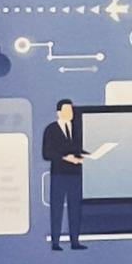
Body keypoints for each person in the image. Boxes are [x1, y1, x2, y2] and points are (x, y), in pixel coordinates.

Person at [40, 99, 87, 251]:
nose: (70, 114)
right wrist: (65, 157)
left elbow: (78, 148)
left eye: (71, 110)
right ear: (58, 113)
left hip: (75, 175)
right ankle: (55, 242)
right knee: (57, 208)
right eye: (67, 111)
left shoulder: (77, 129)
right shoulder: (51, 130)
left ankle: (75, 241)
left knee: (75, 208)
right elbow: (47, 153)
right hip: (59, 175)